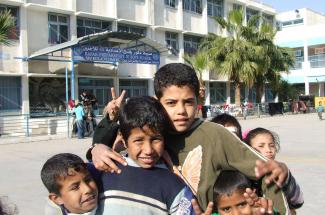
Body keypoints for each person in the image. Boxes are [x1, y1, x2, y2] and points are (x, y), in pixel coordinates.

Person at [89, 63, 290, 214]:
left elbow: (267, 172)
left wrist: (277, 210)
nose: (181, 111)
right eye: (171, 103)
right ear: (157, 101)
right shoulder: (149, 132)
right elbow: (109, 151)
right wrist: (96, 148)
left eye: (188, 102)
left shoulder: (215, 135)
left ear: (198, 100)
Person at [96, 96, 195, 215]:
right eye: (138, 140)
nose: (148, 150)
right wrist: (95, 147)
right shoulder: (103, 171)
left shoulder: (174, 185)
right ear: (123, 140)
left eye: (156, 139)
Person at [244, 128, 304, 211]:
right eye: (261, 146)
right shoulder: (244, 175)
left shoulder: (279, 172)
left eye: (271, 145)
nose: (269, 150)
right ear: (249, 149)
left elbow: (298, 202)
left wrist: (286, 177)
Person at [192, 170, 277, 215]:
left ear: (253, 197)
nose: (236, 214)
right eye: (226, 209)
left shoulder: (263, 211)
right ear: (216, 209)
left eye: (242, 204)